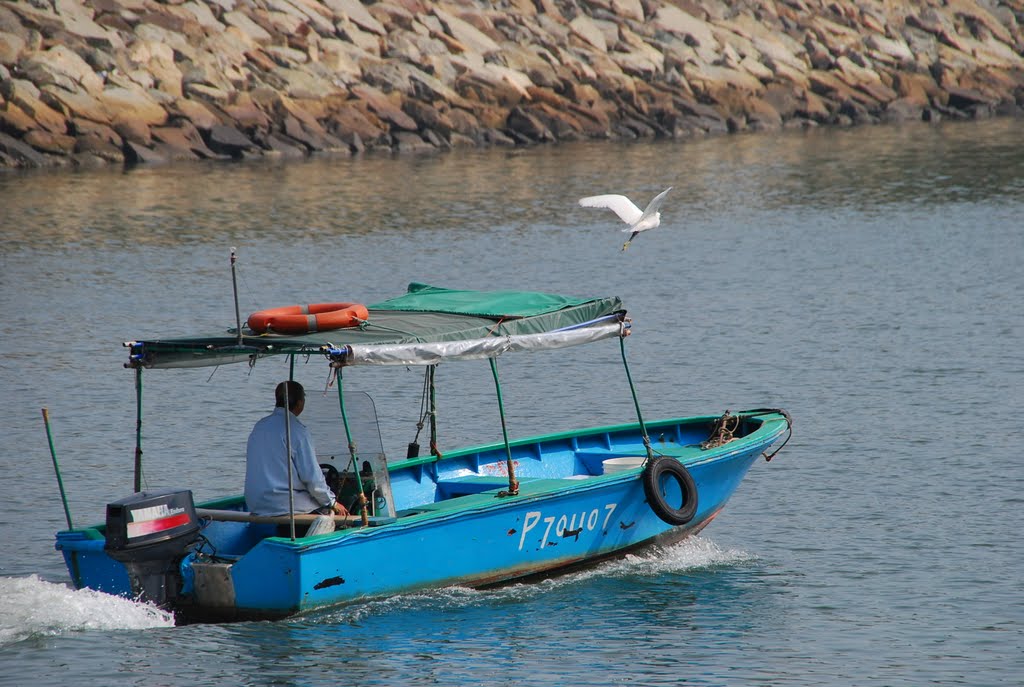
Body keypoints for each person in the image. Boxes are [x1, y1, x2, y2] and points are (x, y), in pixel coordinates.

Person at [245, 381, 348, 534]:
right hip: (285, 505)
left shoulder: (259, 426)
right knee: (338, 515)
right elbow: (312, 478)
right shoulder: (298, 431)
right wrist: (332, 502)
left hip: (256, 504)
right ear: (300, 403)